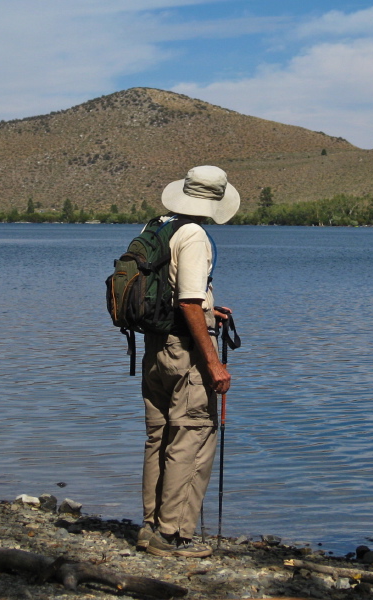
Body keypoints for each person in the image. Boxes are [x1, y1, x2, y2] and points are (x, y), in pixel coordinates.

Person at [137, 165, 240, 558]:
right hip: (185, 352)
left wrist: (213, 313)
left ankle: (150, 527)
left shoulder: (159, 228)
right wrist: (213, 362)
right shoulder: (195, 234)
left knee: (159, 437)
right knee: (193, 436)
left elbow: (180, 297)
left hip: (155, 347)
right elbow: (188, 302)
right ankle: (173, 535)